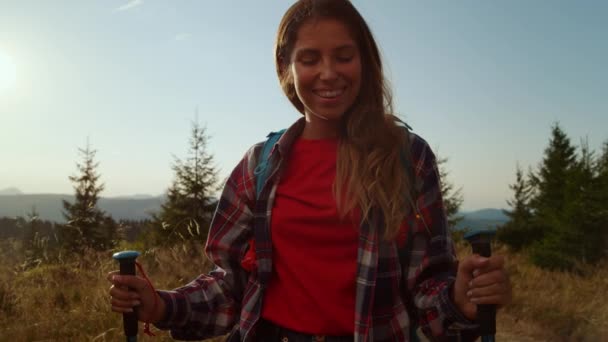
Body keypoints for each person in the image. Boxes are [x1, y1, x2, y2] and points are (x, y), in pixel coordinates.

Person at [108, 1, 512, 341]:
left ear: (364, 62)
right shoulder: (259, 165)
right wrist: (162, 304)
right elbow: (231, 285)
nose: (329, 72)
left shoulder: (408, 157)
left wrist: (461, 300)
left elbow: (428, 288)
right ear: (287, 67)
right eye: (310, 58)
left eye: (343, 56)